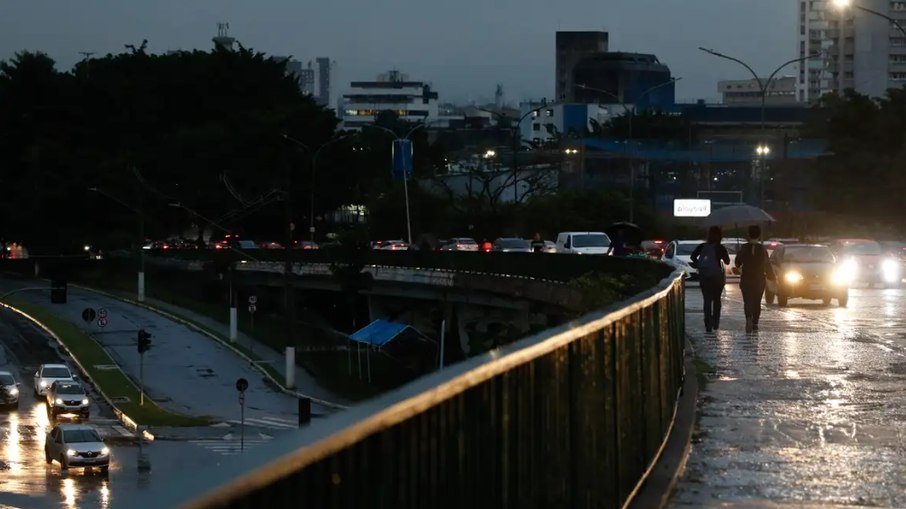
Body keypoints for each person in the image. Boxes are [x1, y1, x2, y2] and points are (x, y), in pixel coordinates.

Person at [735, 225, 776, 333]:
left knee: (747, 301)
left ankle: (748, 317)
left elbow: (737, 262)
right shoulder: (762, 249)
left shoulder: (743, 248)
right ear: (759, 235)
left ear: (748, 235)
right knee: (757, 302)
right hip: (759, 280)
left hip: (746, 279)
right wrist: (771, 276)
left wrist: (739, 260)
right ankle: (755, 323)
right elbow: (767, 264)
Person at [690, 226, 731, 333]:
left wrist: (699, 263)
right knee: (717, 299)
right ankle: (715, 323)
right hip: (717, 276)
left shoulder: (702, 246)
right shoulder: (720, 247)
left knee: (707, 300)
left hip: (704, 276)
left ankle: (708, 324)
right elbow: (727, 262)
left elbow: (692, 256)